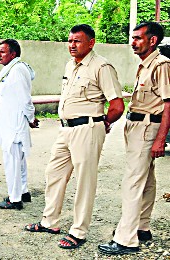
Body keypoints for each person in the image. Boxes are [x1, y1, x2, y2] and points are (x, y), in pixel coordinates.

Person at [25, 24, 124, 249]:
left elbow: (117, 105)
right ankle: (50, 222)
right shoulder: (71, 65)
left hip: (87, 129)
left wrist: (104, 124)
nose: (72, 45)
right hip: (65, 129)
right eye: (70, 41)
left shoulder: (101, 66)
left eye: (77, 41)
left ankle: (79, 231)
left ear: (91, 42)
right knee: (54, 174)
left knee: (84, 182)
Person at [98, 22, 170, 255]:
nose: (133, 42)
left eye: (138, 38)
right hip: (137, 124)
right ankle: (142, 227)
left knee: (132, 181)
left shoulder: (161, 65)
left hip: (148, 127)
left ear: (153, 40)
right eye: (133, 38)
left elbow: (169, 105)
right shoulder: (145, 65)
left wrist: (160, 139)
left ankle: (125, 239)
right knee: (146, 178)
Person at [0, 40, 38, 208]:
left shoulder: (17, 70)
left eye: (2, 52)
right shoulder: (10, 69)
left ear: (13, 54)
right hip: (10, 125)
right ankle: (23, 192)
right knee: (19, 161)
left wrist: (31, 118)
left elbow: (25, 99)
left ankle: (14, 199)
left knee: (13, 163)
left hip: (14, 126)